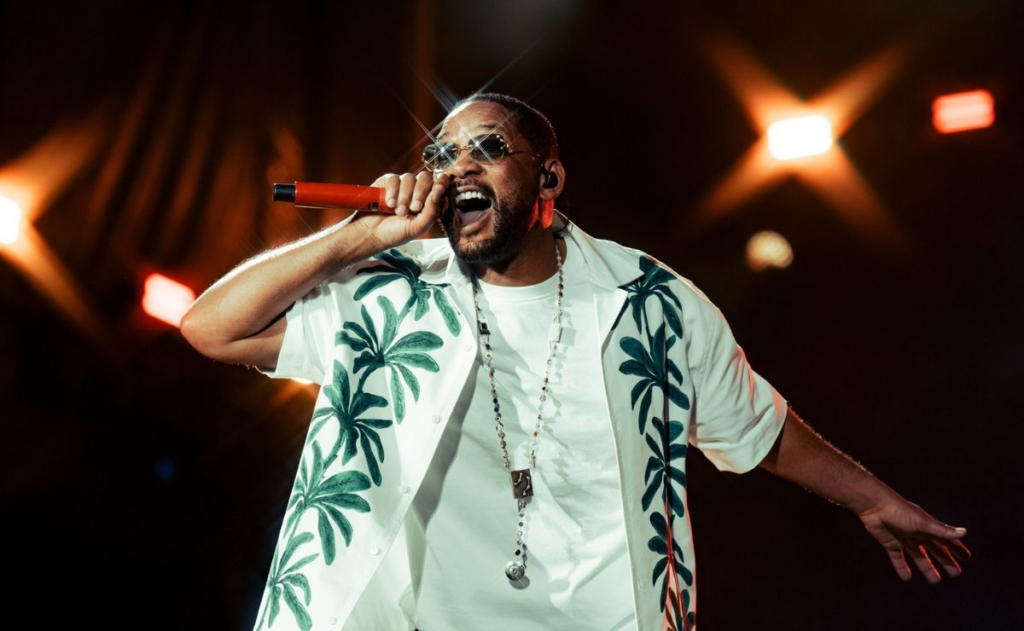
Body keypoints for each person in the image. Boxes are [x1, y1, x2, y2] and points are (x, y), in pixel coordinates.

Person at [181, 93, 970, 631]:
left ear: (548, 177)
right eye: (442, 153)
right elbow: (212, 328)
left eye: (488, 148)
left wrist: (874, 499)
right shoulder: (392, 293)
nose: (458, 168)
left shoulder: (653, 303)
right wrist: (362, 235)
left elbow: (758, 426)